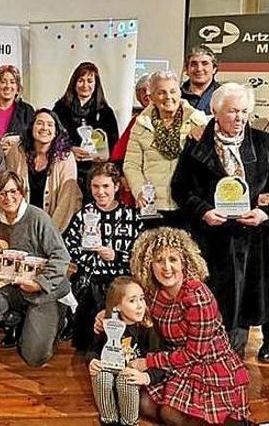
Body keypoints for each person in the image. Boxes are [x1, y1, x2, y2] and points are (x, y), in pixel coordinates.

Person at [170, 83, 269, 356]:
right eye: (233, 111)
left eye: (245, 111)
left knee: (241, 310)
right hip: (210, 240)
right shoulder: (196, 142)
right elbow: (180, 188)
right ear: (216, 111)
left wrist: (263, 212)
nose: (240, 118)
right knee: (209, 306)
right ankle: (204, 359)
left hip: (250, 243)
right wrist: (203, 211)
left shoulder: (263, 142)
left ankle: (232, 362)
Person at [125, 227, 250, 425]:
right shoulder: (153, 291)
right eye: (159, 260)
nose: (166, 267)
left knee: (169, 413)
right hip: (177, 360)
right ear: (149, 264)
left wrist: (148, 362)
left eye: (173, 259)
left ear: (184, 261)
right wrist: (106, 314)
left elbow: (195, 354)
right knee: (144, 404)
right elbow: (125, 296)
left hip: (209, 363)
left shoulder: (197, 297)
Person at [0, 171, 71, 366]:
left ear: (21, 192)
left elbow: (61, 256)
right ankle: (16, 319)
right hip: (12, 288)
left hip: (42, 291)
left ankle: (60, 317)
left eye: (13, 191)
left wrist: (38, 283)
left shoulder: (38, 218)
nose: (8, 198)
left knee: (35, 357)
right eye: (2, 193)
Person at [62, 163, 142, 351]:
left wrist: (117, 255)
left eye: (105, 186)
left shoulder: (131, 217)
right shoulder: (83, 216)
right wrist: (90, 256)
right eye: (95, 186)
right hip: (91, 281)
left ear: (116, 186)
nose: (100, 192)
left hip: (121, 281)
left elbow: (140, 253)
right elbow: (69, 247)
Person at [123, 70, 209, 228]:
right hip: (153, 205)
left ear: (180, 92)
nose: (168, 97)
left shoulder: (198, 120)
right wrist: (139, 190)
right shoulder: (141, 124)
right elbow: (131, 164)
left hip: (187, 205)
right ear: (152, 97)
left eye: (173, 91)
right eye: (161, 92)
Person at [88, 276, 162, 426]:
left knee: (126, 379)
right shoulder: (108, 325)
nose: (140, 305)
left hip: (131, 382)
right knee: (101, 375)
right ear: (118, 306)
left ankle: (129, 422)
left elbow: (159, 362)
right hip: (109, 378)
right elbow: (94, 349)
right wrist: (92, 361)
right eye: (132, 301)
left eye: (142, 299)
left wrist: (145, 376)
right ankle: (109, 420)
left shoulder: (147, 328)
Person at [5, 109, 82, 231]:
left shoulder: (65, 157)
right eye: (40, 123)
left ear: (56, 131)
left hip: (55, 226)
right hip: (20, 225)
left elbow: (67, 200)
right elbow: (8, 188)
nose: (44, 128)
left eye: (50, 125)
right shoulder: (17, 151)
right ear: (32, 128)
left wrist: (50, 232)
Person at [53, 62, 120, 194]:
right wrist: (69, 150)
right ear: (74, 83)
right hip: (67, 170)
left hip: (96, 173)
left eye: (90, 81)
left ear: (96, 84)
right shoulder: (60, 109)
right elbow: (52, 139)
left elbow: (114, 145)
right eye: (81, 80)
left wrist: (103, 156)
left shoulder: (106, 112)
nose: (85, 85)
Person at [109, 73, 152, 206]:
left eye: (150, 89)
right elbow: (119, 154)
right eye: (142, 91)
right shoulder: (136, 122)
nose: (147, 93)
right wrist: (122, 176)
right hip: (137, 183)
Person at [180, 45, 221, 115]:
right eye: (194, 64)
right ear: (187, 69)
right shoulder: (177, 96)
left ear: (214, 69)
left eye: (205, 64)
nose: (199, 69)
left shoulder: (224, 95)